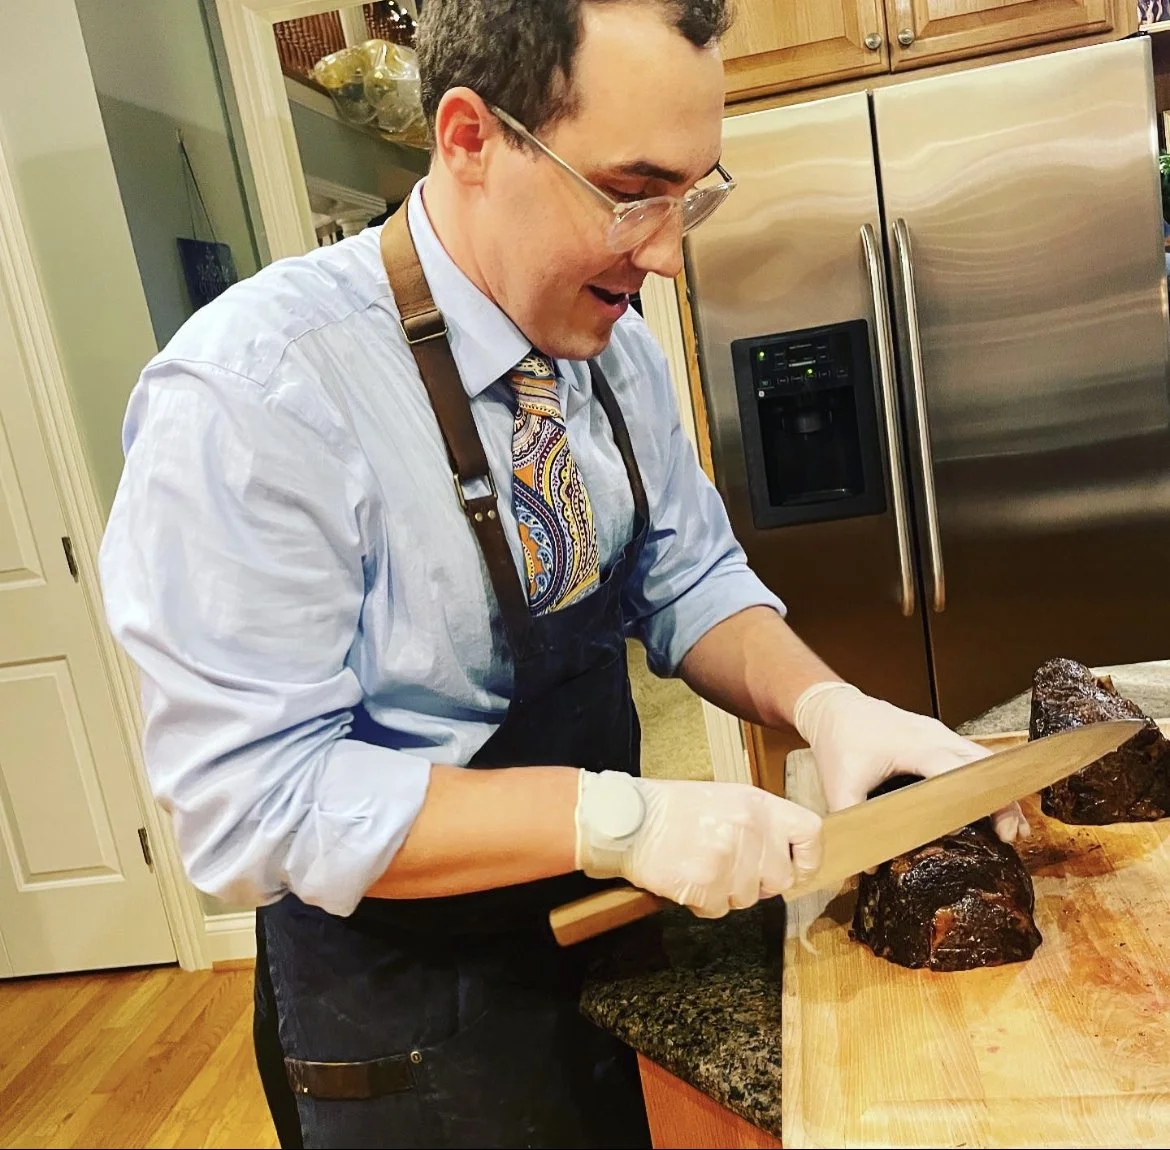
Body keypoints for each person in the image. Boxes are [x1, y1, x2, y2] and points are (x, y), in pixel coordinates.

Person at [99, 2, 1024, 1147]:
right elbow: (254, 805)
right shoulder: (254, 397)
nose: (669, 252)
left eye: (694, 194)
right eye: (633, 192)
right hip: (407, 1021)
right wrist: (619, 817)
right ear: (472, 139)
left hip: (612, 942)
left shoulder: (612, 350)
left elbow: (690, 576)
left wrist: (823, 701)